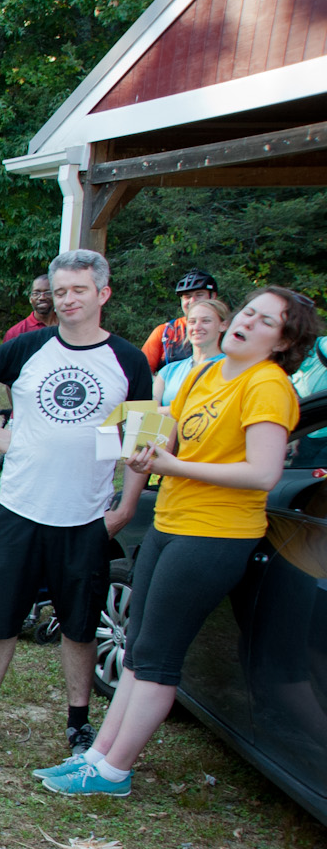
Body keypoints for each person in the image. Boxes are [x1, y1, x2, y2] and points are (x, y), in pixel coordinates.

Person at [40, 288, 317, 797]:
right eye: (249, 311)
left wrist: (169, 465)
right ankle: (96, 757)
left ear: (283, 341)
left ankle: (114, 772)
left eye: (265, 321)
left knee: (159, 659)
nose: (248, 322)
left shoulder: (267, 385)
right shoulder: (206, 373)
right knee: (139, 649)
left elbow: (262, 472)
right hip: (172, 521)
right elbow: (165, 436)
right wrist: (137, 448)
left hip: (215, 534)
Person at [0, 250, 153, 759]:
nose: (68, 299)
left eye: (78, 290)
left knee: (80, 624)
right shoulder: (29, 347)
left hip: (85, 517)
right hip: (19, 509)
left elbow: (143, 441)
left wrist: (125, 509)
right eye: (60, 292)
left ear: (102, 293)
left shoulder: (130, 361)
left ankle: (79, 723)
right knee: (0, 615)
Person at [155, 297, 229, 408]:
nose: (197, 327)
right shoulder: (168, 371)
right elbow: (149, 413)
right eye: (192, 322)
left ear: (223, 325)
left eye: (206, 321)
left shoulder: (231, 368)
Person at [142, 268, 219, 371]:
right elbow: (141, 372)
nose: (193, 301)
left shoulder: (226, 330)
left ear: (213, 296)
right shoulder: (165, 332)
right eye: (187, 296)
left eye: (199, 295)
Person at [2, 275, 56, 341]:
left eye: (48, 293)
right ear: (30, 298)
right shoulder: (15, 333)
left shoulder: (67, 326)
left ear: (56, 296)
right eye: (36, 293)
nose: (42, 297)